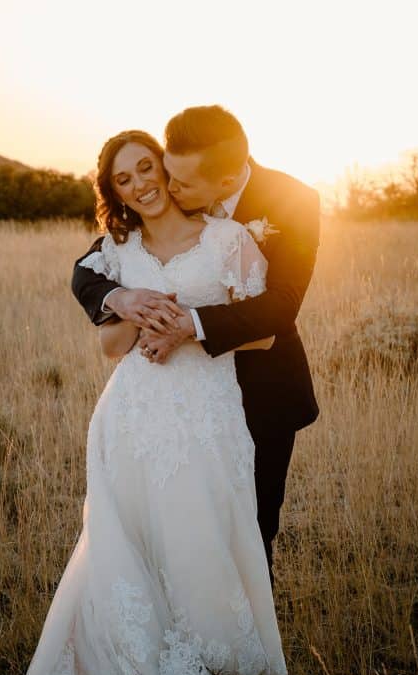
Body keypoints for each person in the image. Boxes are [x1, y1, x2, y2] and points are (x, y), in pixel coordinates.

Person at [10, 130, 295, 675]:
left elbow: (265, 335)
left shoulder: (229, 238)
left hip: (204, 414)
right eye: (123, 175)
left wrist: (187, 329)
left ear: (167, 170)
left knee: (206, 541)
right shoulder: (114, 248)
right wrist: (135, 307)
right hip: (133, 417)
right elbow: (108, 348)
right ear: (112, 186)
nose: (139, 183)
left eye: (147, 168)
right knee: (131, 548)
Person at [72, 106, 320, 584]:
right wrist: (118, 296)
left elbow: (280, 306)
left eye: (169, 177)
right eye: (162, 170)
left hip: (263, 387)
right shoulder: (167, 194)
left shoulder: (291, 202)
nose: (165, 185)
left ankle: (244, 636)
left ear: (224, 184)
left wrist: (186, 326)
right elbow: (89, 268)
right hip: (166, 400)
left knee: (251, 526)